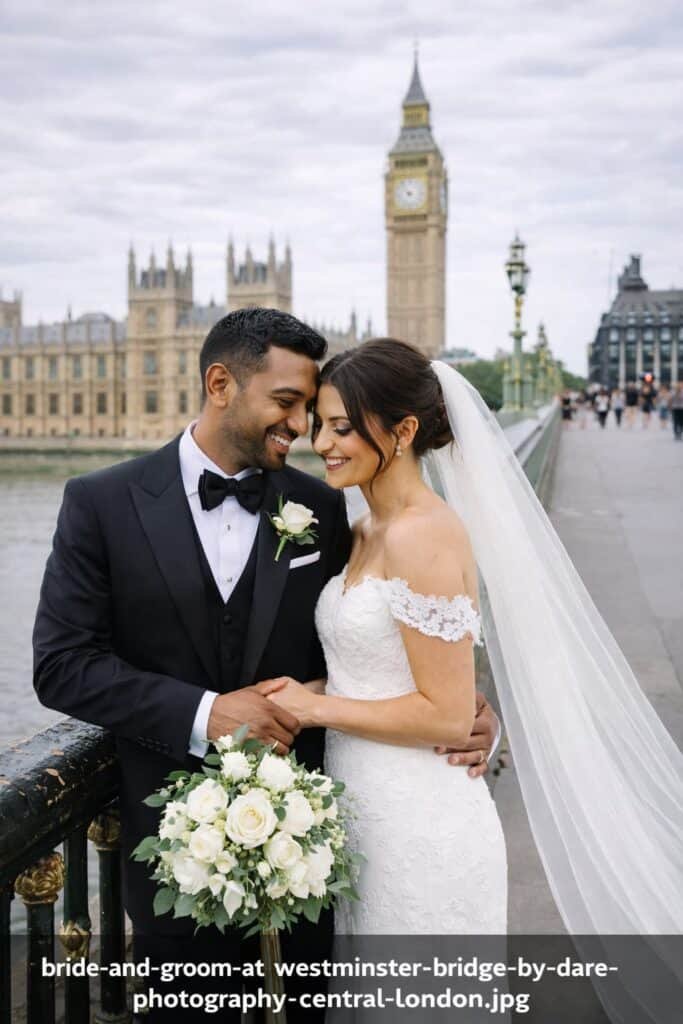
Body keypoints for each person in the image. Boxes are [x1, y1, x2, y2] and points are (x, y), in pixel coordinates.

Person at [32, 311, 499, 1022]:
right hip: (171, 857)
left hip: (332, 843)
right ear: (220, 383)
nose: (306, 432)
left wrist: (465, 704)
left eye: (318, 414)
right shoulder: (99, 502)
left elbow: (392, 637)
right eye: (289, 405)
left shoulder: (325, 507)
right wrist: (204, 714)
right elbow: (62, 666)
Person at [267, 339, 682, 1018]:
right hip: (364, 812)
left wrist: (314, 710)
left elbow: (445, 715)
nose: (321, 442)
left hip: (421, 823)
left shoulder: (421, 534)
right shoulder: (366, 525)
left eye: (342, 426)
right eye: (320, 423)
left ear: (401, 432)